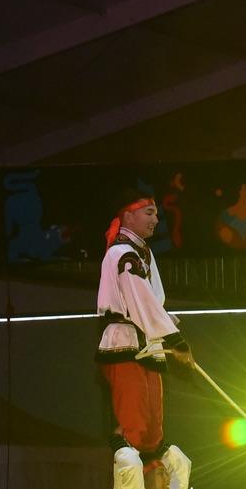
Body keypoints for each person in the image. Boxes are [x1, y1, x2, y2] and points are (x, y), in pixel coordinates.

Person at [97, 191, 193, 458]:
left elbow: (152, 302)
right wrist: (175, 339)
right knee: (134, 423)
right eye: (149, 213)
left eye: (157, 214)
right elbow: (141, 301)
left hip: (148, 341)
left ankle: (154, 476)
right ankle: (127, 469)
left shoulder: (142, 253)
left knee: (152, 429)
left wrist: (169, 332)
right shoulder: (123, 254)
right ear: (128, 216)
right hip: (127, 342)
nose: (156, 220)